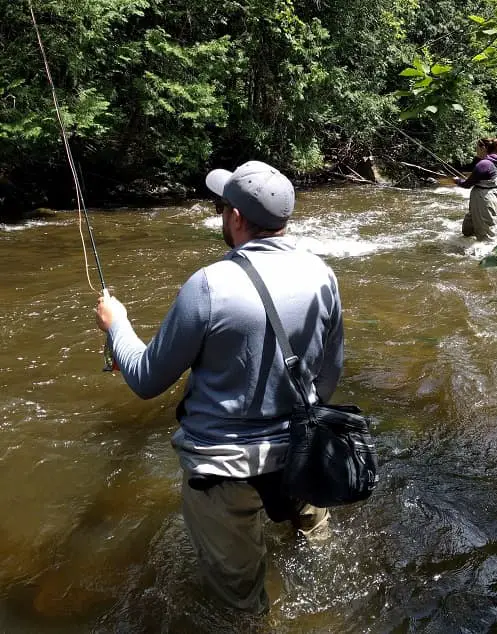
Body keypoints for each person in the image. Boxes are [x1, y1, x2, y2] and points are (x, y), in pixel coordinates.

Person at [94, 160, 345, 614]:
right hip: (306, 456)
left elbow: (147, 380)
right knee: (316, 555)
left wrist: (118, 326)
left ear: (235, 217)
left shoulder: (209, 284)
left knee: (239, 604)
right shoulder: (323, 274)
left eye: (221, 205)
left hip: (223, 470)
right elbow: (330, 373)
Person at [454, 137, 497, 241]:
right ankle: (467, 251)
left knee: (484, 236)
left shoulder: (483, 164)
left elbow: (467, 184)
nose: (475, 150)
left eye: (477, 147)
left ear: (484, 148)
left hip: (483, 199)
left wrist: (457, 181)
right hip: (492, 196)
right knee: (468, 230)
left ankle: (487, 254)